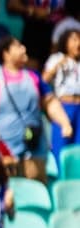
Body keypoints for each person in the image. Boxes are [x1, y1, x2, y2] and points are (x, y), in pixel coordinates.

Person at [0, 37, 73, 181]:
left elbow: (50, 102)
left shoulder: (33, 76)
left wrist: (64, 122)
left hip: (34, 142)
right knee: (7, 185)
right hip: (3, 145)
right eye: (17, 46)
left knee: (36, 183)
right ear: (6, 54)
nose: (23, 49)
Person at [42, 29, 80, 163]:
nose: (78, 43)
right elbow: (43, 80)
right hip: (64, 106)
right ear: (65, 42)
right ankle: (60, 173)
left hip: (79, 106)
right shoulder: (57, 58)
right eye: (74, 39)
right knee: (62, 142)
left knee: (78, 146)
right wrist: (57, 66)